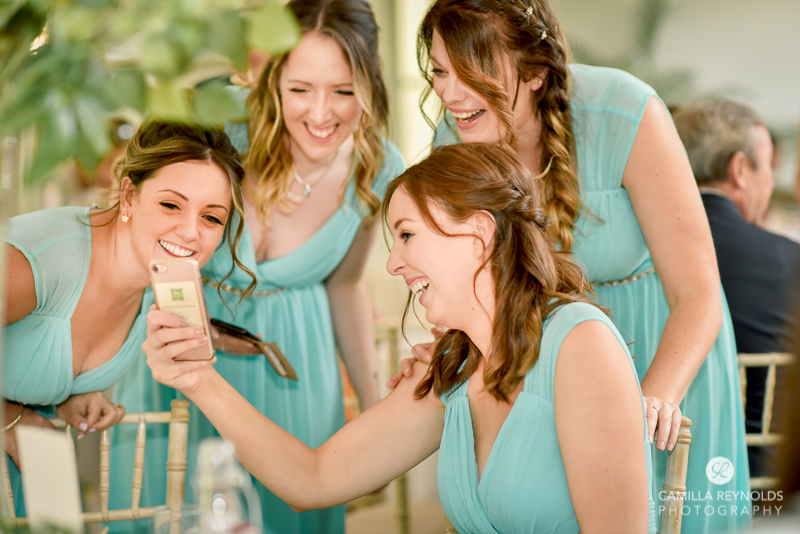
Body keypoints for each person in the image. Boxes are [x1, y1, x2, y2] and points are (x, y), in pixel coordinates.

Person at [145, 143, 657, 534]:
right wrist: (199, 380)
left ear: (479, 235)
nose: (393, 263)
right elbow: (314, 479)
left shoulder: (580, 345)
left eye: (407, 235)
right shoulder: (455, 369)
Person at [389, 0, 750, 531]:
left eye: (473, 69)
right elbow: (469, 280)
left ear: (535, 71)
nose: (450, 93)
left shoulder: (626, 111)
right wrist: (445, 353)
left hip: (667, 353)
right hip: (547, 368)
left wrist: (651, 399)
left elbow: (698, 293)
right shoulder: (455, 136)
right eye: (441, 71)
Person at [109, 0, 404, 532]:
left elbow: (345, 284)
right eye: (301, 89)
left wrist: (375, 407)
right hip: (179, 348)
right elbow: (133, 232)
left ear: (370, 86)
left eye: (343, 91)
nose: (321, 114)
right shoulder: (219, 128)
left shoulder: (378, 167)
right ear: (274, 80)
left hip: (297, 368)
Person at [1, 118, 251, 516]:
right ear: (130, 195)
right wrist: (13, 418)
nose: (191, 232)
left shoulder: (158, 281)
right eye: (171, 204)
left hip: (28, 482)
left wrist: (65, 395)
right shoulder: (48, 258)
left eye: (211, 217)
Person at [673, 99, 800, 478]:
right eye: (769, 166)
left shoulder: (638, 257)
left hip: (660, 477)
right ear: (740, 169)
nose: (771, 182)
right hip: (764, 480)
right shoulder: (791, 261)